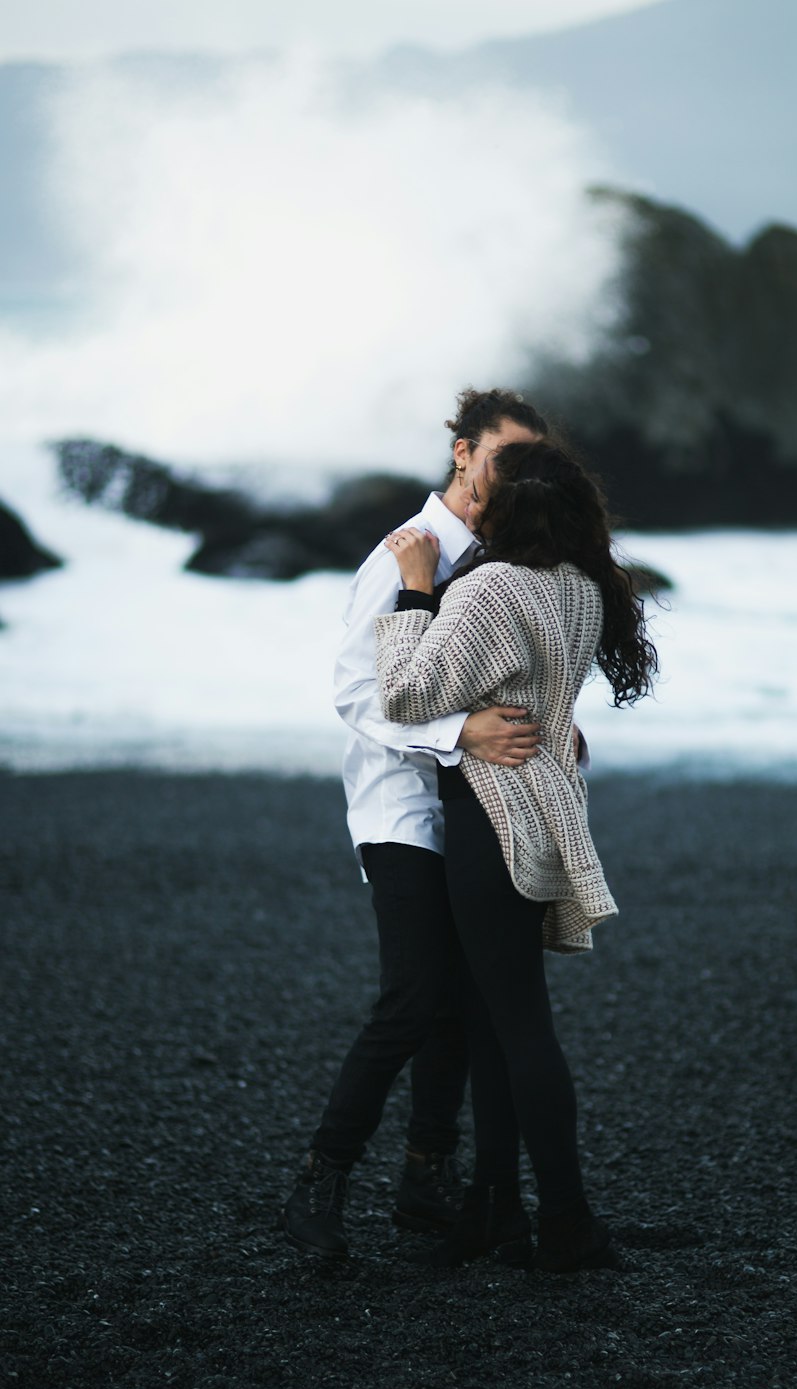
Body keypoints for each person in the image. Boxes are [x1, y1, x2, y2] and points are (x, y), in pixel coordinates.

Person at [375, 438, 657, 1272]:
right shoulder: (578, 589)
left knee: (520, 1025)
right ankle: (494, 1207)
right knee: (497, 1024)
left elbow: (405, 694)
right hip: (540, 810)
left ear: (502, 511)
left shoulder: (492, 588)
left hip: (488, 819)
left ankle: (567, 1219)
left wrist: (417, 589)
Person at [282, 389, 549, 1262]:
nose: (516, 477)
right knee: (410, 1000)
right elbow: (356, 694)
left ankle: (425, 1181)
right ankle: (318, 1183)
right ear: (464, 453)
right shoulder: (406, 554)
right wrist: (458, 731)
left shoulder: (502, 560)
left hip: (476, 807)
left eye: (531, 464)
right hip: (398, 805)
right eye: (504, 457)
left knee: (462, 1010)